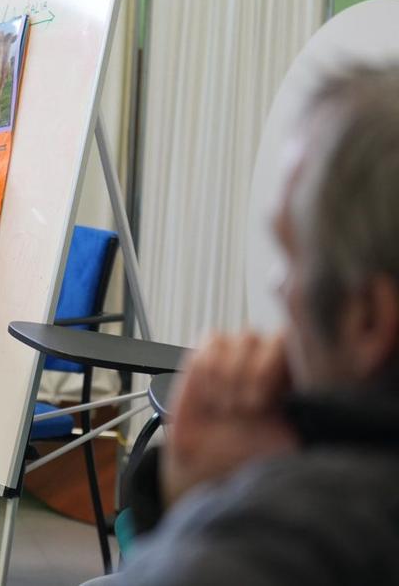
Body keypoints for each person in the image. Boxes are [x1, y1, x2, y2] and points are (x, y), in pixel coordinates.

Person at [105, 65, 399, 584]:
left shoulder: (287, 545)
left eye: (291, 253)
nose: (277, 285)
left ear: (368, 319)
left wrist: (200, 507)